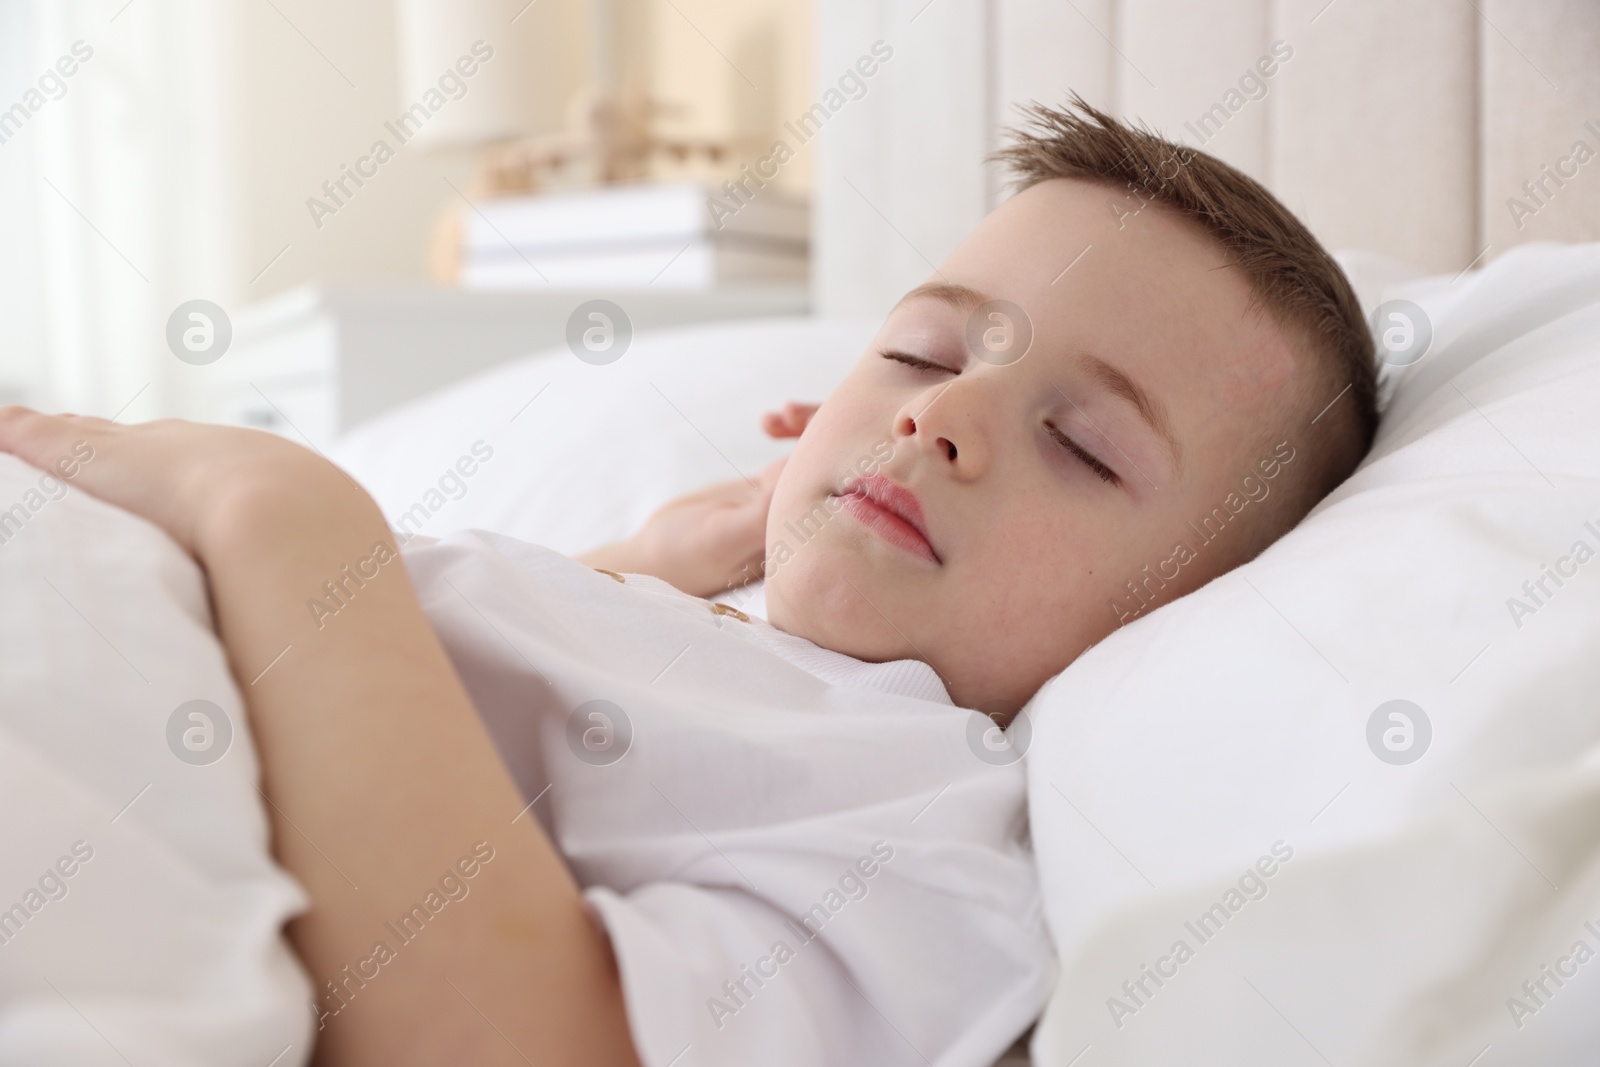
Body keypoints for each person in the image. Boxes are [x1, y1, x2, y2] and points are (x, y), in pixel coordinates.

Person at [0, 97, 1375, 1066]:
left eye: (1081, 445)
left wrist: (283, 509)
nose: (938, 416)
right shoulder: (687, 632)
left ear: (1197, 607)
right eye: (920, 352)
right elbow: (478, 694)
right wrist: (630, 572)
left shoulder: (924, 823)